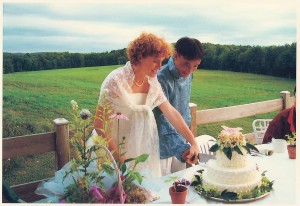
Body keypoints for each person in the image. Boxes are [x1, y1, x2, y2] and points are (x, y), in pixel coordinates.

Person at [93, 33, 200, 178]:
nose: (159, 67)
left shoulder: (152, 81)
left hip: (140, 148)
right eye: (156, 61)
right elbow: (99, 124)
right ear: (140, 56)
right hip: (112, 149)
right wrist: (118, 160)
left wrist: (193, 141)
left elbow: (170, 112)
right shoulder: (115, 80)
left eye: (162, 61)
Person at [153, 37, 204, 175]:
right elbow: (162, 119)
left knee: (179, 184)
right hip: (162, 145)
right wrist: (182, 148)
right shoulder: (160, 78)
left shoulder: (188, 75)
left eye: (195, 66)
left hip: (182, 140)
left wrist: (188, 141)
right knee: (163, 189)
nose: (189, 70)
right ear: (175, 55)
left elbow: (184, 108)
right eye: (186, 64)